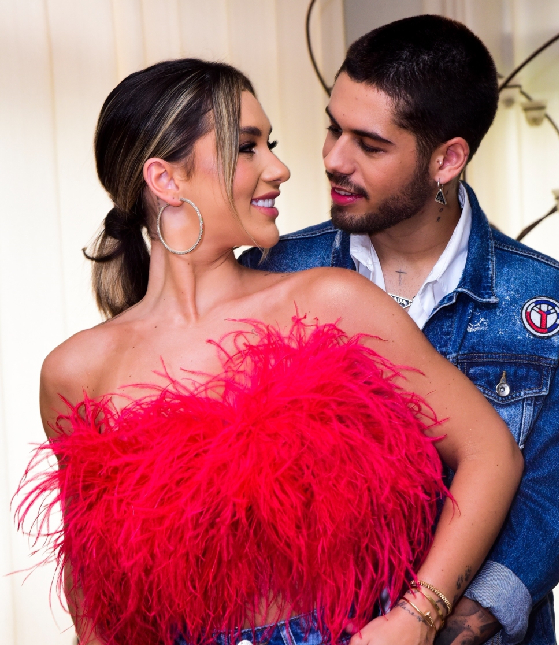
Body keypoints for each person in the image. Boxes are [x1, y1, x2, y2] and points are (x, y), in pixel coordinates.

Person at [16, 59, 522, 645]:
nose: (279, 169)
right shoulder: (76, 372)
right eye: (247, 147)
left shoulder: (332, 304)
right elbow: (94, 590)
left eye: (270, 145)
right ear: (166, 180)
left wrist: (418, 616)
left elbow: (490, 452)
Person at [240, 15, 559, 645]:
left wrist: (426, 628)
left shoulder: (550, 305)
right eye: (333, 127)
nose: (333, 159)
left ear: (447, 159)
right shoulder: (273, 273)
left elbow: (550, 507)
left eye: (369, 144)